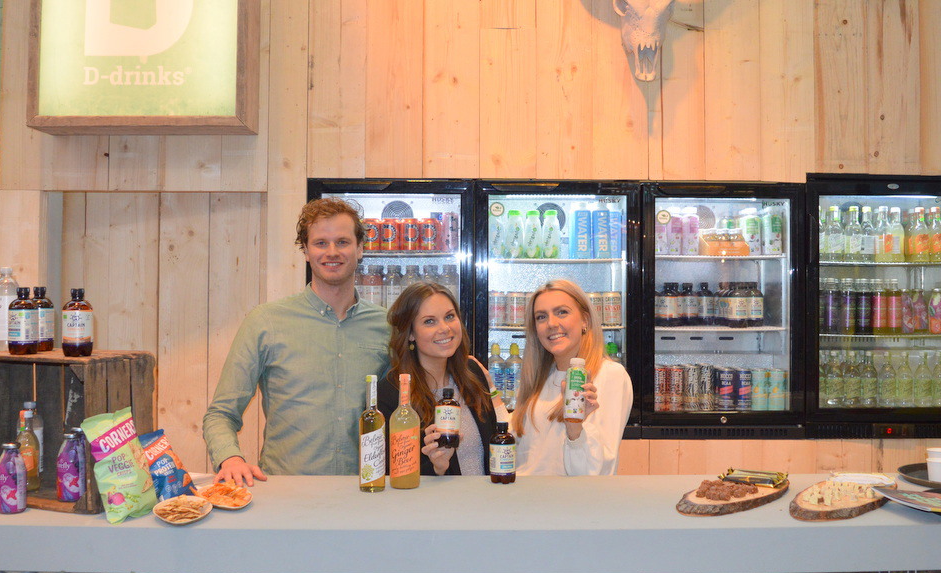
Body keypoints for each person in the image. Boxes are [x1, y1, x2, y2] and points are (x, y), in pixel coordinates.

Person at [202, 197, 389, 483]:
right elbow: (220, 414)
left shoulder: (388, 326)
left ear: (360, 248)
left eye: (342, 242)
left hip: (367, 489)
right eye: (320, 243)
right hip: (285, 491)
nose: (332, 252)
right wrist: (231, 459)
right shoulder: (266, 322)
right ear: (306, 251)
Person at [377, 282, 503, 476]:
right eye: (429, 321)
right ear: (410, 333)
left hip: (483, 495)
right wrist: (437, 467)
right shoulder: (392, 392)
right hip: (431, 497)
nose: (444, 328)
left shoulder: (473, 374)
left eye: (449, 316)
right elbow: (391, 473)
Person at [510, 279, 633, 475]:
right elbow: (522, 450)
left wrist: (575, 428)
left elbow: (598, 470)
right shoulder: (539, 378)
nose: (551, 323)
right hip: (525, 493)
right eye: (541, 317)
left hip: (571, 495)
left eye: (562, 312)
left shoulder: (610, 376)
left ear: (585, 320)